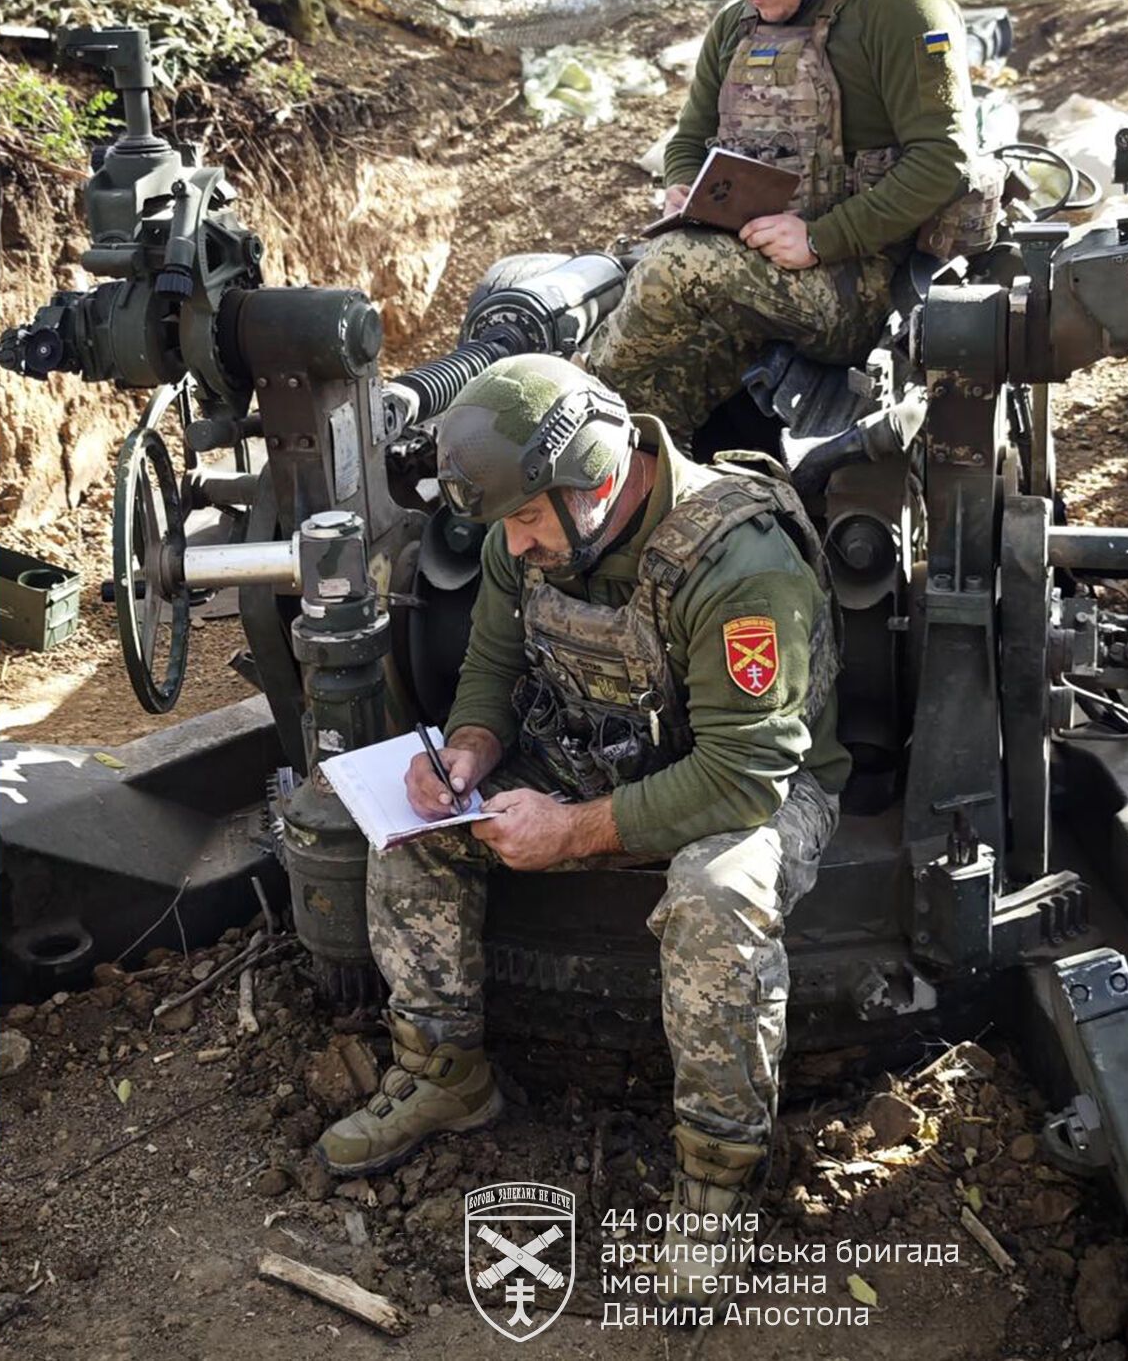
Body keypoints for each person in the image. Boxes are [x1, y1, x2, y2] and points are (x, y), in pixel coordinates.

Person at [315, 355, 851, 1298]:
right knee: (412, 825)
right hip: (591, 756)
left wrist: (573, 831)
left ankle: (717, 1180)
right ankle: (444, 1073)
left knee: (717, 897)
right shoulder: (523, 533)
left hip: (749, 784)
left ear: (595, 482)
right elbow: (489, 660)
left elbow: (744, 774)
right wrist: (471, 753)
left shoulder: (740, 564)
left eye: (526, 522)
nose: (515, 547)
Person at [587, 0, 993, 441]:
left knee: (674, 268)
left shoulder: (901, 9)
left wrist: (823, 238)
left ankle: (563, 408)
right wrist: (680, 188)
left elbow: (944, 158)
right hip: (753, 266)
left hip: (858, 286)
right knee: (646, 350)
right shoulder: (736, 27)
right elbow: (688, 141)